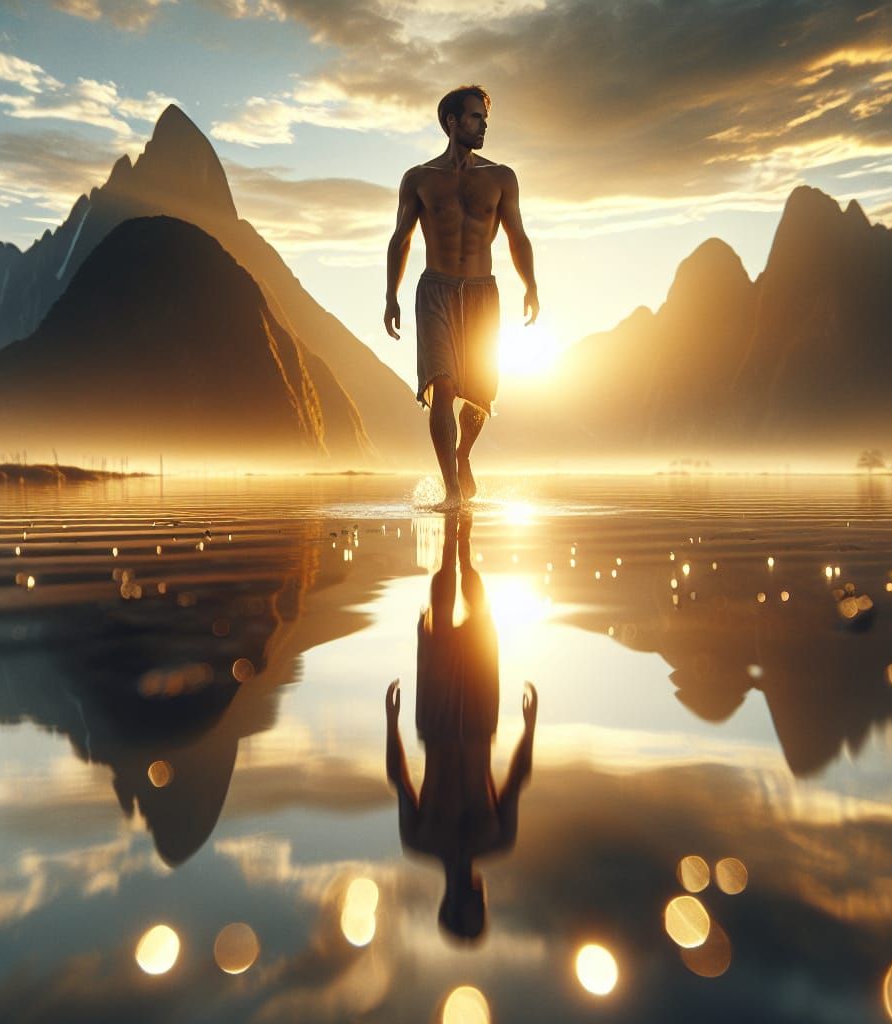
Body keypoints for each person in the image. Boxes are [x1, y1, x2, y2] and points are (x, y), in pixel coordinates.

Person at [384, 85, 539, 510]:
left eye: (485, 118)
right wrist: (390, 296)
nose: (483, 124)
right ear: (452, 122)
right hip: (435, 290)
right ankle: (451, 490)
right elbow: (400, 239)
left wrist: (531, 285)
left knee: (480, 393)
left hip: (482, 292)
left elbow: (517, 236)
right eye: (475, 117)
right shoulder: (419, 179)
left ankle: (462, 455)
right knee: (443, 384)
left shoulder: (501, 177)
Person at [384, 512, 537, 941]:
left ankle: (457, 540)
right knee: (468, 620)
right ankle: (457, 540)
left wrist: (392, 723)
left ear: (468, 901)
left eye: (477, 907)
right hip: (458, 724)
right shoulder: (433, 842)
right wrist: (528, 728)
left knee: (460, 619)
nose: (480, 899)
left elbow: (400, 780)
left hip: (450, 723)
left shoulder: (476, 842)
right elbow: (516, 780)